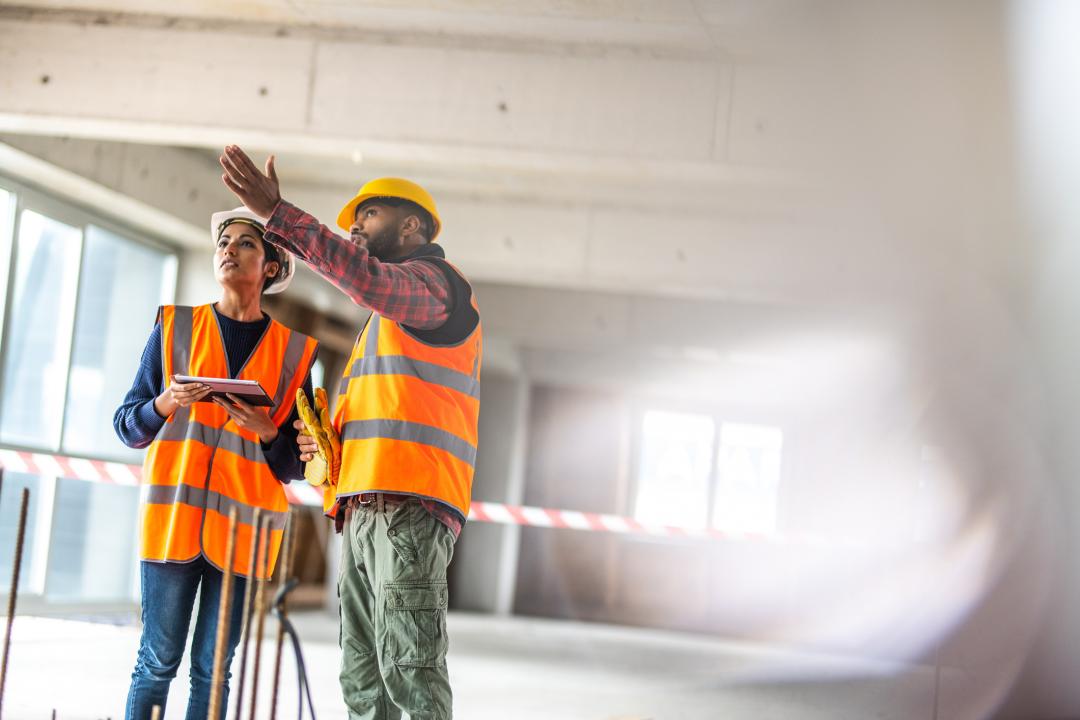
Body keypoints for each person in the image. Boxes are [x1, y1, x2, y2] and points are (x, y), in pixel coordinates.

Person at [219, 144, 481, 720]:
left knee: (411, 674)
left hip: (409, 511)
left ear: (411, 225)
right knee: (363, 680)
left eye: (370, 215)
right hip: (362, 511)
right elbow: (384, 416)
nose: (358, 226)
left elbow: (368, 280)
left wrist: (278, 214)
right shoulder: (382, 327)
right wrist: (322, 448)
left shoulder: (438, 289)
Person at [113, 207, 319, 720]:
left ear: (270, 266)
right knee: (156, 661)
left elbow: (298, 465)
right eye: (223, 241)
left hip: (244, 535)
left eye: (245, 243)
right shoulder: (174, 326)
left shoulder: (295, 354)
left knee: (214, 668)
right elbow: (126, 425)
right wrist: (167, 402)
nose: (228, 248)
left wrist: (269, 431)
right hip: (173, 523)